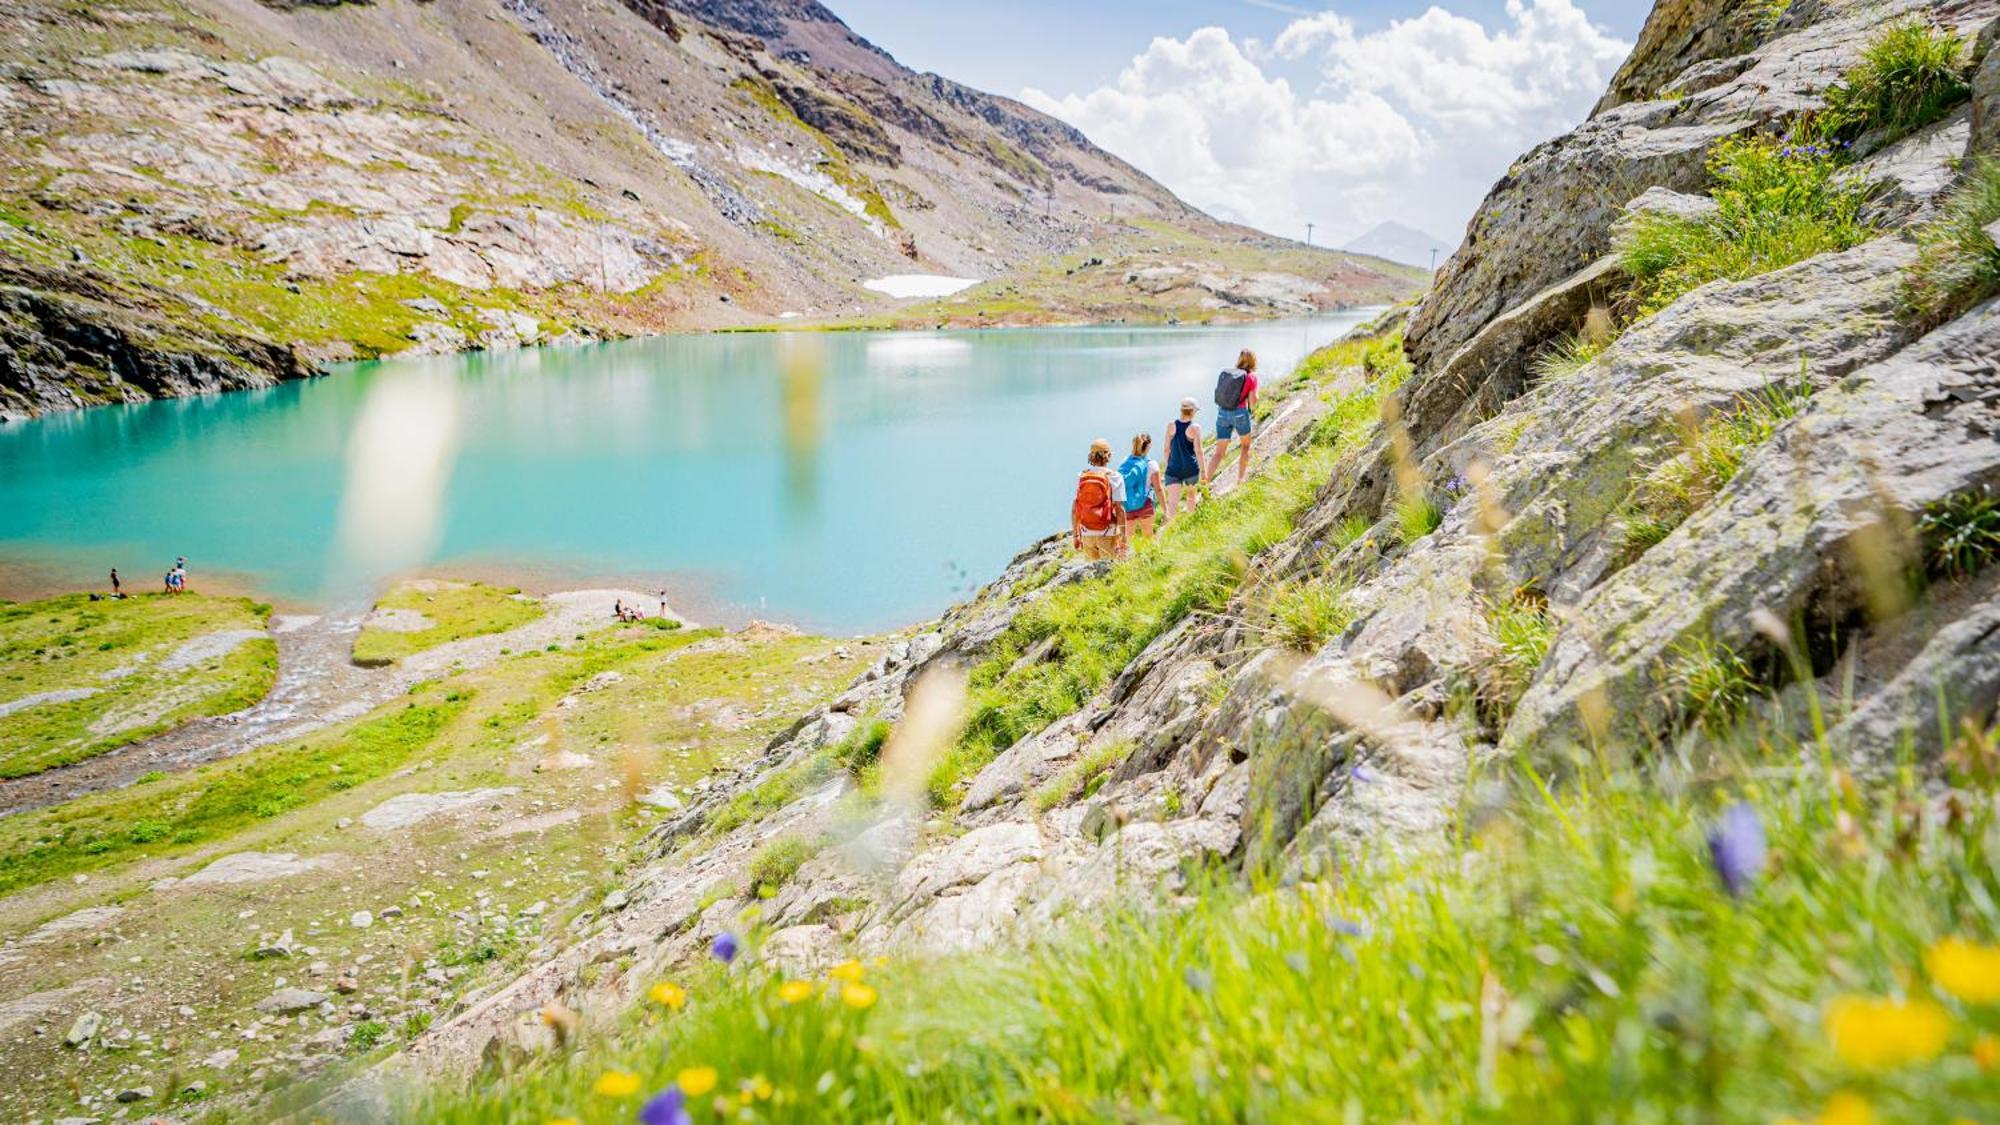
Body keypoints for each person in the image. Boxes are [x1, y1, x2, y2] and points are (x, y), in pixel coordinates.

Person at [1206, 349, 1259, 486]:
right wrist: (1253, 410)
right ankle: (1240, 481)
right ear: (1253, 360)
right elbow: (1253, 400)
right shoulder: (1251, 377)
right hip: (1240, 413)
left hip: (1223, 412)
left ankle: (1204, 483)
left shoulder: (1229, 373)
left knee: (1219, 453)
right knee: (1246, 446)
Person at [1071, 438, 1128, 561]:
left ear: (1091, 456)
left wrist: (1076, 535)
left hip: (1086, 534)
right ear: (1108, 455)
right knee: (1111, 573)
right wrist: (1124, 536)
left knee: (1093, 575)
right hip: (1107, 532)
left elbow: (1075, 508)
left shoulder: (1082, 475)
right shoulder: (1114, 477)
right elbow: (1119, 510)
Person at [1163, 397, 1206, 519]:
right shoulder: (1195, 427)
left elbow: (1166, 449)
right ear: (1192, 411)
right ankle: (1188, 524)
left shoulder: (1171, 425)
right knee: (1191, 497)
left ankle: (1171, 529)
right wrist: (1203, 472)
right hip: (1190, 469)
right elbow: (1198, 451)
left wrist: (1167, 466)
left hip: (1173, 469)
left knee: (1172, 503)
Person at [1118, 433, 1164, 540]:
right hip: (1145, 504)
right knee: (1148, 536)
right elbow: (1158, 489)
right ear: (1149, 446)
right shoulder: (1152, 464)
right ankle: (1149, 556)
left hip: (1127, 506)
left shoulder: (1125, 461)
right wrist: (1166, 510)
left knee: (1128, 538)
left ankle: (1127, 556)